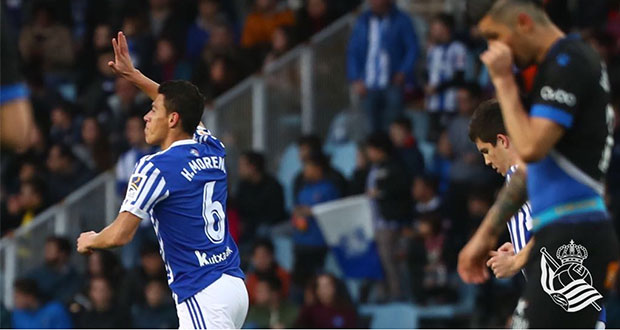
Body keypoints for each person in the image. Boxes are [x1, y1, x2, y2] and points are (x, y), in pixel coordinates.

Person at [458, 1, 619, 328]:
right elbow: (531, 172)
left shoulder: (569, 62)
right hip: (563, 235)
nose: (496, 51)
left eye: (497, 37)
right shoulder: (556, 67)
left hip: (571, 241)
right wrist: (485, 236)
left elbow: (528, 150)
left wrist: (503, 82)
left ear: (522, 22)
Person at [76, 31, 248, 329]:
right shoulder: (211, 147)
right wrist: (133, 75)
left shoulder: (156, 167)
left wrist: (92, 239)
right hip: (233, 287)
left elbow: (120, 235)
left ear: (172, 120)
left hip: (201, 292)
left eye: (153, 109)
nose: (146, 116)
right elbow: (186, 109)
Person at [468, 99, 608, 328]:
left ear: (502, 141)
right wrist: (519, 246)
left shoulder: (526, 174)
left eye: (486, 151)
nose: (486, 160)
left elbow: (561, 228)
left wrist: (515, 262)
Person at [347, 0, 418, 133]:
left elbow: (412, 48)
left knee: (393, 126)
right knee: (369, 128)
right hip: (368, 84)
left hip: (392, 82)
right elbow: (353, 51)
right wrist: (355, 78)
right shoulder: (363, 21)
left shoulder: (402, 20)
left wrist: (404, 71)